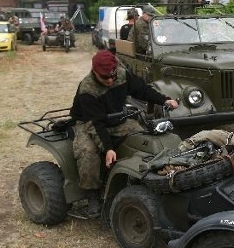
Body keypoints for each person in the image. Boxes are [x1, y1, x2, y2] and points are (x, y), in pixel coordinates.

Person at [70, 50, 179, 217]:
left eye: (112, 76)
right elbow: (96, 124)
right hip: (88, 122)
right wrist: (108, 148)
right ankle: (92, 194)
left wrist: (164, 99)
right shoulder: (87, 89)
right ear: (94, 72)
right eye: (105, 78)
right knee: (88, 153)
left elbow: (142, 90)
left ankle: (146, 178)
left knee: (145, 138)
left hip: (116, 118)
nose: (110, 80)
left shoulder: (121, 75)